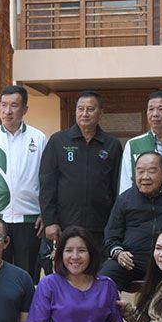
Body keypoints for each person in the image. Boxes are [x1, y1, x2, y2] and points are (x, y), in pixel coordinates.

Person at [0, 84, 48, 283]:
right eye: (3, 105)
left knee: (28, 277)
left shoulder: (38, 138)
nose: (7, 111)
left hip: (30, 220)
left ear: (24, 109)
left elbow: (46, 179)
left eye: (14, 105)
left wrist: (45, 213)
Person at [101, 152, 162, 291]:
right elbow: (110, 237)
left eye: (151, 171)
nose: (145, 177)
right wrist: (118, 253)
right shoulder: (125, 199)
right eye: (140, 171)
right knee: (104, 279)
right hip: (132, 262)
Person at [39, 90, 122, 249]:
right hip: (65, 223)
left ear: (100, 113)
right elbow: (47, 184)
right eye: (80, 109)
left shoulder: (112, 144)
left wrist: (115, 223)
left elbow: (116, 186)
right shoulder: (58, 141)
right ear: (75, 111)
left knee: (98, 263)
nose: (85, 114)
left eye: (90, 109)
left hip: (101, 224)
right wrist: (50, 221)